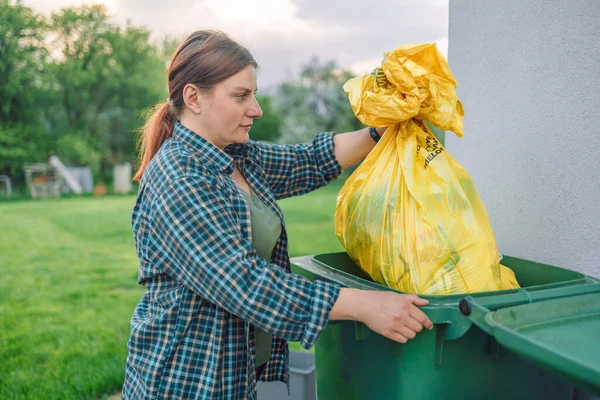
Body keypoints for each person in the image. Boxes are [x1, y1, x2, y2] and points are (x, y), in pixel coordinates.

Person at [122, 29, 433, 400]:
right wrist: (364, 305)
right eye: (240, 96)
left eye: (253, 94)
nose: (256, 109)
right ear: (193, 97)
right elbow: (243, 283)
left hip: (240, 371)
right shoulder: (178, 176)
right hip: (188, 378)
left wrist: (380, 130)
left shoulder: (238, 156)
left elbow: (309, 160)